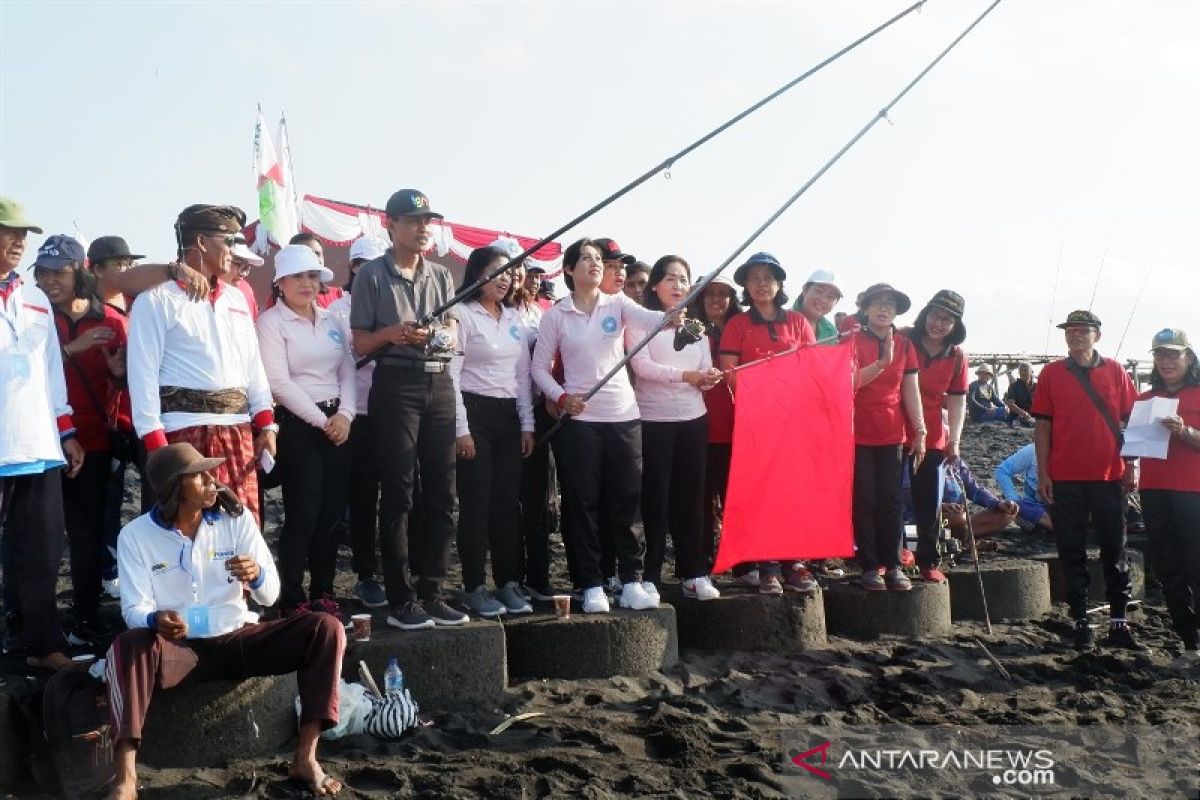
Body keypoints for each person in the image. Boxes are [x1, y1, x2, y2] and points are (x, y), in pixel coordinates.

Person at [106, 443, 345, 800]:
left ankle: (306, 757)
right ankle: (126, 778)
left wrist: (258, 575)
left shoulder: (236, 519)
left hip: (238, 638)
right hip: (180, 650)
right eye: (199, 476)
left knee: (326, 628)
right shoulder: (136, 536)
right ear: (174, 488)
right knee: (128, 644)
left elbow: (271, 596)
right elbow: (133, 609)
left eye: (210, 472)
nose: (212, 480)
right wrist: (157, 620)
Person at [532, 238, 671, 614]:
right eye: (586, 259)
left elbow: (654, 320)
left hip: (624, 417)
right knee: (583, 502)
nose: (595, 265)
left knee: (627, 501)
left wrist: (672, 315)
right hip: (580, 421)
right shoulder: (557, 315)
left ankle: (631, 580)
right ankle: (592, 583)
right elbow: (539, 369)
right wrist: (562, 398)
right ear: (568, 271)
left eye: (598, 259)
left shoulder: (619, 303)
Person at [349, 189, 468, 630]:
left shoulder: (440, 275)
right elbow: (360, 342)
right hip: (395, 384)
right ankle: (401, 597)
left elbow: (452, 332)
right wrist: (394, 334)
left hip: (438, 383)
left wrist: (437, 336)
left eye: (427, 221)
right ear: (390, 224)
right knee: (398, 490)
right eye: (414, 221)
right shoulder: (372, 276)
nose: (423, 229)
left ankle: (432, 589)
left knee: (442, 491)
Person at [126, 204, 277, 524]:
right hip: (183, 432)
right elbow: (142, 376)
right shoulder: (155, 300)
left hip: (237, 430)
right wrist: (156, 444)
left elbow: (253, 367)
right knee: (187, 531)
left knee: (241, 527)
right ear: (201, 243)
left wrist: (265, 423)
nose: (235, 252)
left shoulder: (236, 299)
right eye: (229, 241)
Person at [0, 204, 86, 672]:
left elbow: (52, 376)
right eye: (8, 233)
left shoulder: (34, 303)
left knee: (42, 553)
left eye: (22, 235)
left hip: (36, 447)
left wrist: (66, 431)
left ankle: (41, 643)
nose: (18, 242)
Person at [35, 235, 129, 647]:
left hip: (92, 441)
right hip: (38, 440)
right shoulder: (31, 317)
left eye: (59, 271)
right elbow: (21, 371)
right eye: (43, 272)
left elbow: (126, 382)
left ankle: (85, 616)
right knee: (37, 536)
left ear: (81, 271)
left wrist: (118, 372)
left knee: (88, 534)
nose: (49, 279)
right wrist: (70, 349)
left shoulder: (111, 320)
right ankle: (28, 621)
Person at [1032, 309, 1142, 652]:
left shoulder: (1115, 371)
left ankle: (1119, 622)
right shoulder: (1051, 373)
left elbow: (1133, 422)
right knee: (1071, 550)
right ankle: (1081, 620)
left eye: (1083, 330)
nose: (1075, 335)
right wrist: (1044, 472)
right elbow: (1043, 426)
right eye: (1070, 330)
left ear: (1097, 335)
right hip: (1065, 477)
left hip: (1108, 475)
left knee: (1115, 549)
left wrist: (1131, 466)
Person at [256, 245, 356, 616]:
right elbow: (278, 382)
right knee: (303, 514)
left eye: (312, 276)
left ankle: (324, 592)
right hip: (298, 425)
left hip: (338, 423)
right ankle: (293, 598)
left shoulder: (331, 320)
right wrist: (322, 420)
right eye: (298, 276)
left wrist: (345, 414)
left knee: (331, 514)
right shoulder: (271, 322)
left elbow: (347, 369)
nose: (307, 283)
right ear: (280, 282)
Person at [718, 253, 818, 594]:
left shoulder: (798, 322)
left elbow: (812, 368)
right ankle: (767, 565)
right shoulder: (737, 325)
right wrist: (768, 377)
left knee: (792, 492)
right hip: (755, 423)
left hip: (793, 424)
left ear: (779, 284)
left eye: (768, 277)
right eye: (754, 277)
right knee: (760, 495)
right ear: (745, 285)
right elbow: (730, 374)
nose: (762, 283)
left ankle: (794, 561)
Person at [630, 256, 723, 600]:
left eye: (683, 279)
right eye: (669, 278)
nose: (677, 285)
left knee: (692, 499)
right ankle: (649, 574)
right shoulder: (642, 322)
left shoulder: (697, 328)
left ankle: (694, 572)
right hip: (654, 421)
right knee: (655, 498)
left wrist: (708, 379)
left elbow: (706, 370)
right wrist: (687, 377)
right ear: (655, 285)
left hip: (693, 420)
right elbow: (642, 366)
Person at [450, 246, 536, 616]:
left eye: (509, 273)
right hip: (474, 412)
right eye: (497, 272)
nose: (504, 279)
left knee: (507, 505)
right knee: (476, 504)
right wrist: (461, 428)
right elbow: (451, 376)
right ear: (477, 274)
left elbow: (522, 375)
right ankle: (473, 586)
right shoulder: (461, 314)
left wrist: (527, 424)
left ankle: (508, 582)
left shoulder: (514, 317)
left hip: (509, 416)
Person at [848, 283, 925, 592]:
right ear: (865, 309)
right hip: (856, 432)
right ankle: (868, 564)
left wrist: (920, 429)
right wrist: (881, 363)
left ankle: (893, 564)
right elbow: (849, 382)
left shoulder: (905, 345)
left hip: (892, 432)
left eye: (890, 305)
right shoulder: (851, 340)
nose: (883, 310)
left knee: (891, 500)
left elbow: (911, 388)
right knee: (864, 498)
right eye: (877, 304)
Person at [331, 236, 390, 609]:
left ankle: (402, 571)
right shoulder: (338, 309)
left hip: (396, 411)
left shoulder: (392, 302)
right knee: (364, 497)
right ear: (354, 267)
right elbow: (343, 364)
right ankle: (366, 574)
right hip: (360, 413)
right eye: (364, 265)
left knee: (403, 496)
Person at [85, 235, 145, 600]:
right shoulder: (87, 311)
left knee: (153, 498)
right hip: (107, 422)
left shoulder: (138, 305)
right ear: (95, 269)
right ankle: (107, 571)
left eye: (128, 263)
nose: (125, 270)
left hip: (141, 418)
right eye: (117, 264)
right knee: (107, 503)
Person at [1136, 328, 1200, 664]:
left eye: (1173, 354)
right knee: (1169, 572)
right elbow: (1132, 449)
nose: (1166, 361)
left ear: (1188, 357)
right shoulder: (1144, 400)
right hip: (1154, 491)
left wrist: (1185, 431)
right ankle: (1189, 644)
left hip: (1194, 492)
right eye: (1160, 355)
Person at [898, 290, 969, 584]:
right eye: (936, 315)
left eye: (947, 320)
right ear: (926, 314)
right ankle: (885, 557)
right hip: (894, 429)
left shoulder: (956, 355)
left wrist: (955, 439)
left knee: (928, 500)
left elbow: (957, 399)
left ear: (955, 326)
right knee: (887, 496)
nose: (938, 324)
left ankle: (928, 560)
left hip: (934, 436)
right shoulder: (903, 338)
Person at [689, 272, 741, 575]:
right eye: (710, 293)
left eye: (723, 293)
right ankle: (704, 560)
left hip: (737, 427)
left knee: (736, 498)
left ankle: (740, 562)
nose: (717, 299)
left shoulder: (741, 327)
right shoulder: (690, 329)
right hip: (701, 426)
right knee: (702, 502)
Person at [994, 443, 1053, 532]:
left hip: (1061, 508)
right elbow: (1002, 471)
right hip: (1032, 507)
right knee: (1013, 510)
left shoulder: (1073, 453)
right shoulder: (1032, 452)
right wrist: (1014, 499)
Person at [289, 232, 345, 310]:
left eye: (317, 254)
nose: (314, 258)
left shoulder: (338, 295)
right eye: (308, 254)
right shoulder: (283, 298)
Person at [791, 268, 842, 341]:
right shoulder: (781, 321)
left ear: (836, 303)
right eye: (819, 291)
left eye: (830, 297)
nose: (823, 300)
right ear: (805, 290)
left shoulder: (831, 333)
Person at [229, 235, 265, 320]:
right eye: (238, 262)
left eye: (247, 264)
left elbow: (253, 321)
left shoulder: (245, 287)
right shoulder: (205, 284)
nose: (244, 270)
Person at [1003, 361, 1036, 426]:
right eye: (1021, 370)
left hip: (1034, 416)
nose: (1023, 372)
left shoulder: (1038, 386)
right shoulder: (1013, 386)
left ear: (1031, 372)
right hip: (1018, 417)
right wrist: (1023, 413)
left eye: (1025, 370)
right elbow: (1010, 404)